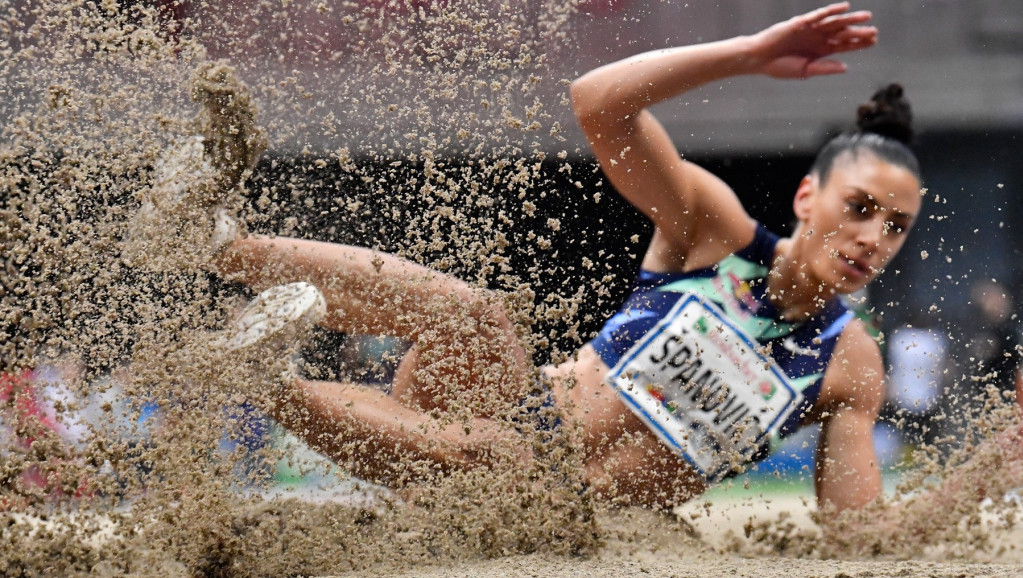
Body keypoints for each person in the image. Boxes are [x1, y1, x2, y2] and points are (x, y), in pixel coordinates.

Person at [141, 3, 927, 513]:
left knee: (509, 457)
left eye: (895, 226)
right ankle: (218, 245)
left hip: (548, 506)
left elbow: (855, 536)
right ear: (804, 199)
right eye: (858, 209)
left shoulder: (846, 365)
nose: (873, 239)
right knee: (479, 319)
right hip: (510, 406)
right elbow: (598, 102)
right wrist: (746, 54)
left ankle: (265, 380)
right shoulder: (717, 235)